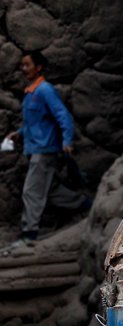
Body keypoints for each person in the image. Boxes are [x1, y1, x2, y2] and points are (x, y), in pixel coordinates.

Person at [4, 50, 90, 248]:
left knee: (31, 191)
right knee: (51, 191)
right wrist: (19, 133)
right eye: (22, 65)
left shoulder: (45, 90)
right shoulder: (31, 93)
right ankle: (85, 205)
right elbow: (33, 123)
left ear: (38, 67)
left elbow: (63, 116)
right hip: (35, 148)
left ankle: (29, 234)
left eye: (27, 65)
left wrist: (67, 141)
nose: (23, 69)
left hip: (44, 151)